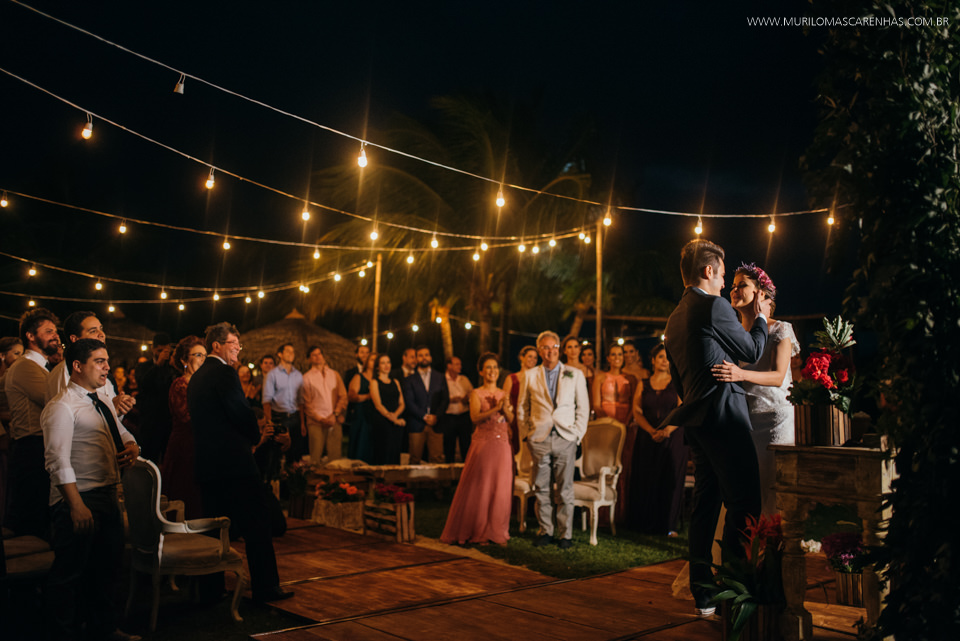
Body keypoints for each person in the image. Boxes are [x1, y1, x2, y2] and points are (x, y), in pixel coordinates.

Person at [662, 239, 769, 616]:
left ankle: (703, 594)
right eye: (722, 275)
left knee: (705, 507)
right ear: (708, 271)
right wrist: (760, 318)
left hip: (697, 421)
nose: (724, 283)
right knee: (745, 502)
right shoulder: (713, 305)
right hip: (724, 417)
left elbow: (678, 379)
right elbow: (752, 351)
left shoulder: (674, 318)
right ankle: (737, 593)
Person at [41, 338, 141, 641]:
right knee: (69, 575)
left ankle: (104, 629)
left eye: (107, 360)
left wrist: (132, 446)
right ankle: (64, 634)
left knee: (107, 569)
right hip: (79, 498)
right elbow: (56, 460)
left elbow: (121, 432)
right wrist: (75, 505)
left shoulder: (101, 400)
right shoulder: (61, 406)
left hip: (108, 494)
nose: (107, 367)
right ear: (78, 365)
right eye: (99, 361)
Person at [187, 322, 292, 604]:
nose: (238, 349)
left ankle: (211, 590)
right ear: (217, 345)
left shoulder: (197, 377)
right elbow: (240, 412)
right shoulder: (224, 373)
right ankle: (266, 587)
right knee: (257, 522)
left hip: (208, 464)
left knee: (213, 528)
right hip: (234, 463)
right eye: (233, 344)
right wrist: (255, 435)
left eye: (238, 344)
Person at [711, 263, 799, 516]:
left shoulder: (780, 329)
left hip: (774, 419)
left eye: (742, 285)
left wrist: (740, 374)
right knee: (743, 489)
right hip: (742, 420)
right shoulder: (732, 332)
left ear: (760, 293)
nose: (734, 290)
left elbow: (778, 376)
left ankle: (770, 539)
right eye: (733, 285)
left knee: (771, 487)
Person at [516, 330, 590, 550]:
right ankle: (545, 531)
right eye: (546, 348)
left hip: (566, 437)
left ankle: (565, 534)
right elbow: (522, 407)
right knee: (541, 487)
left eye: (554, 347)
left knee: (565, 488)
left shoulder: (574, 374)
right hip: (539, 438)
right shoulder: (530, 375)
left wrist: (577, 434)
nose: (551, 351)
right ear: (540, 351)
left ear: (559, 349)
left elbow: (583, 407)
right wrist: (526, 434)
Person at [440, 353, 514, 546]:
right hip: (484, 444)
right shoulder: (476, 393)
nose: (492, 371)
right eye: (488, 367)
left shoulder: (504, 394)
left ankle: (497, 530)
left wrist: (505, 409)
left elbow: (511, 419)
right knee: (482, 487)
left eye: (495, 367)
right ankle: (479, 531)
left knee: (500, 487)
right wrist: (495, 409)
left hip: (502, 444)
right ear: (481, 371)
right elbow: (474, 418)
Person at [5, 307, 60, 538]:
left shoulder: (40, 367)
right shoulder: (26, 366)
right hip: (31, 449)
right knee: (32, 526)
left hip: (38, 448)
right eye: (48, 331)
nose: (55, 336)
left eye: (55, 331)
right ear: (30, 336)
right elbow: (57, 401)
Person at [630, 343, 685, 537]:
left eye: (668, 358)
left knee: (671, 479)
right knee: (647, 477)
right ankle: (645, 522)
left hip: (673, 437)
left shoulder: (677, 382)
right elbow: (636, 410)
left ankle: (669, 525)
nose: (664, 361)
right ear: (652, 360)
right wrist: (651, 430)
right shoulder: (643, 383)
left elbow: (682, 408)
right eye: (661, 357)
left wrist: (667, 430)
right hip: (647, 436)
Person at [45, 312, 135, 419]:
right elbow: (74, 420)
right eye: (93, 331)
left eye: (101, 329)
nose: (101, 334)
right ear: (75, 339)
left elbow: (111, 421)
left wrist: (119, 408)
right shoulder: (66, 371)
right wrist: (112, 410)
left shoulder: (107, 377)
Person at [161, 336, 206, 520]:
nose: (203, 359)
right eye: (198, 355)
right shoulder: (180, 385)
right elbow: (187, 416)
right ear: (184, 360)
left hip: (201, 445)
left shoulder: (202, 384)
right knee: (184, 492)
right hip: (185, 446)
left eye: (205, 355)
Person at [592, 343, 637, 524]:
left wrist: (624, 424)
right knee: (605, 465)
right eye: (613, 354)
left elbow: (634, 404)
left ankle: (621, 512)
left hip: (625, 427)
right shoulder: (600, 378)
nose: (617, 357)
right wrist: (610, 425)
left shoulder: (631, 379)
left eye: (620, 354)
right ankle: (602, 512)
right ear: (608, 358)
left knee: (623, 466)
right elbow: (596, 404)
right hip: (605, 427)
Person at [301, 345, 347, 463]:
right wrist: (320, 419)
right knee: (315, 457)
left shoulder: (334, 374)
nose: (318, 357)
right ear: (309, 359)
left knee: (335, 458)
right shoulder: (306, 378)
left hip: (334, 419)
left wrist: (335, 414)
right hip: (315, 422)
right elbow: (307, 404)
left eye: (319, 354)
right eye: (314, 355)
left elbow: (343, 396)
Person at [402, 346, 449, 464]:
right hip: (417, 423)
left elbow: (445, 399)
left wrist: (436, 416)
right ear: (416, 358)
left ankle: (436, 478)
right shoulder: (409, 379)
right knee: (414, 459)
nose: (424, 358)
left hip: (436, 423)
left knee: (437, 459)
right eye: (421, 355)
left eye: (426, 355)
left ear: (430, 357)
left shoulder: (440, 377)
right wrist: (424, 416)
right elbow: (409, 402)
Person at [136, 335, 178, 464]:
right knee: (148, 459)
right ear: (153, 349)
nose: (162, 354)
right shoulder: (144, 367)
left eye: (165, 351)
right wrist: (158, 365)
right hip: (150, 422)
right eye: (159, 350)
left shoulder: (172, 368)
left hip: (168, 422)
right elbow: (143, 384)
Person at [369, 354, 406, 464]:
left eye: (388, 362)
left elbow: (402, 403)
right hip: (382, 422)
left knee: (395, 453)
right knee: (383, 453)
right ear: (377, 367)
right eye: (383, 363)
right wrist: (393, 419)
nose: (386, 365)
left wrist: (395, 416)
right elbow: (378, 405)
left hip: (396, 422)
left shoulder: (396, 382)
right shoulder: (374, 382)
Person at [501, 345, 538, 457]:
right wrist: (507, 424)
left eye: (535, 357)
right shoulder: (511, 378)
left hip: (534, 420)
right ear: (522, 357)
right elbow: (505, 402)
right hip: (515, 420)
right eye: (530, 356)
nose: (533, 360)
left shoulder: (538, 378)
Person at [441, 356, 474, 463]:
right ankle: (449, 470)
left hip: (463, 416)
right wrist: (450, 400)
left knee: (466, 444)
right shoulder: (442, 380)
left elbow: (472, 394)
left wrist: (466, 399)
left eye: (460, 364)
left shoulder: (464, 379)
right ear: (449, 366)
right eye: (457, 364)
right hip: (449, 417)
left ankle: (466, 468)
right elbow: (439, 397)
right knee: (449, 446)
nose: (460, 366)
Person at [346, 352, 377, 462]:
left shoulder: (379, 378)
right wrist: (368, 396)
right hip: (361, 414)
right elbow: (351, 396)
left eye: (376, 360)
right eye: (372, 359)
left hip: (375, 415)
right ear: (367, 362)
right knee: (360, 443)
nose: (374, 362)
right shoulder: (359, 377)